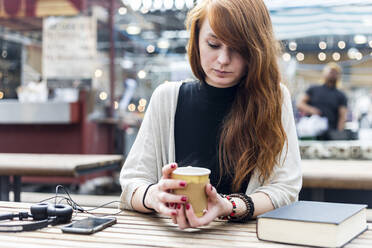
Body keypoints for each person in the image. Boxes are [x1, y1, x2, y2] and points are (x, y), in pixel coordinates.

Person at [119, 0, 301, 229]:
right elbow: (131, 184)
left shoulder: (274, 98)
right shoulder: (167, 98)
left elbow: (285, 189)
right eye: (213, 44)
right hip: (173, 238)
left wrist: (228, 206)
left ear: (256, 50)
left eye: (238, 48)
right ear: (195, 40)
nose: (223, 60)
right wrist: (153, 196)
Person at [297, 63, 348, 140]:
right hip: (311, 132)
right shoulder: (313, 89)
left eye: (336, 73)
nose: (333, 74)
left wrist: (338, 135)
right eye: (331, 72)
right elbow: (300, 103)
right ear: (324, 73)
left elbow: (342, 117)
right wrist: (311, 110)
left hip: (330, 133)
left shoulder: (341, 95)